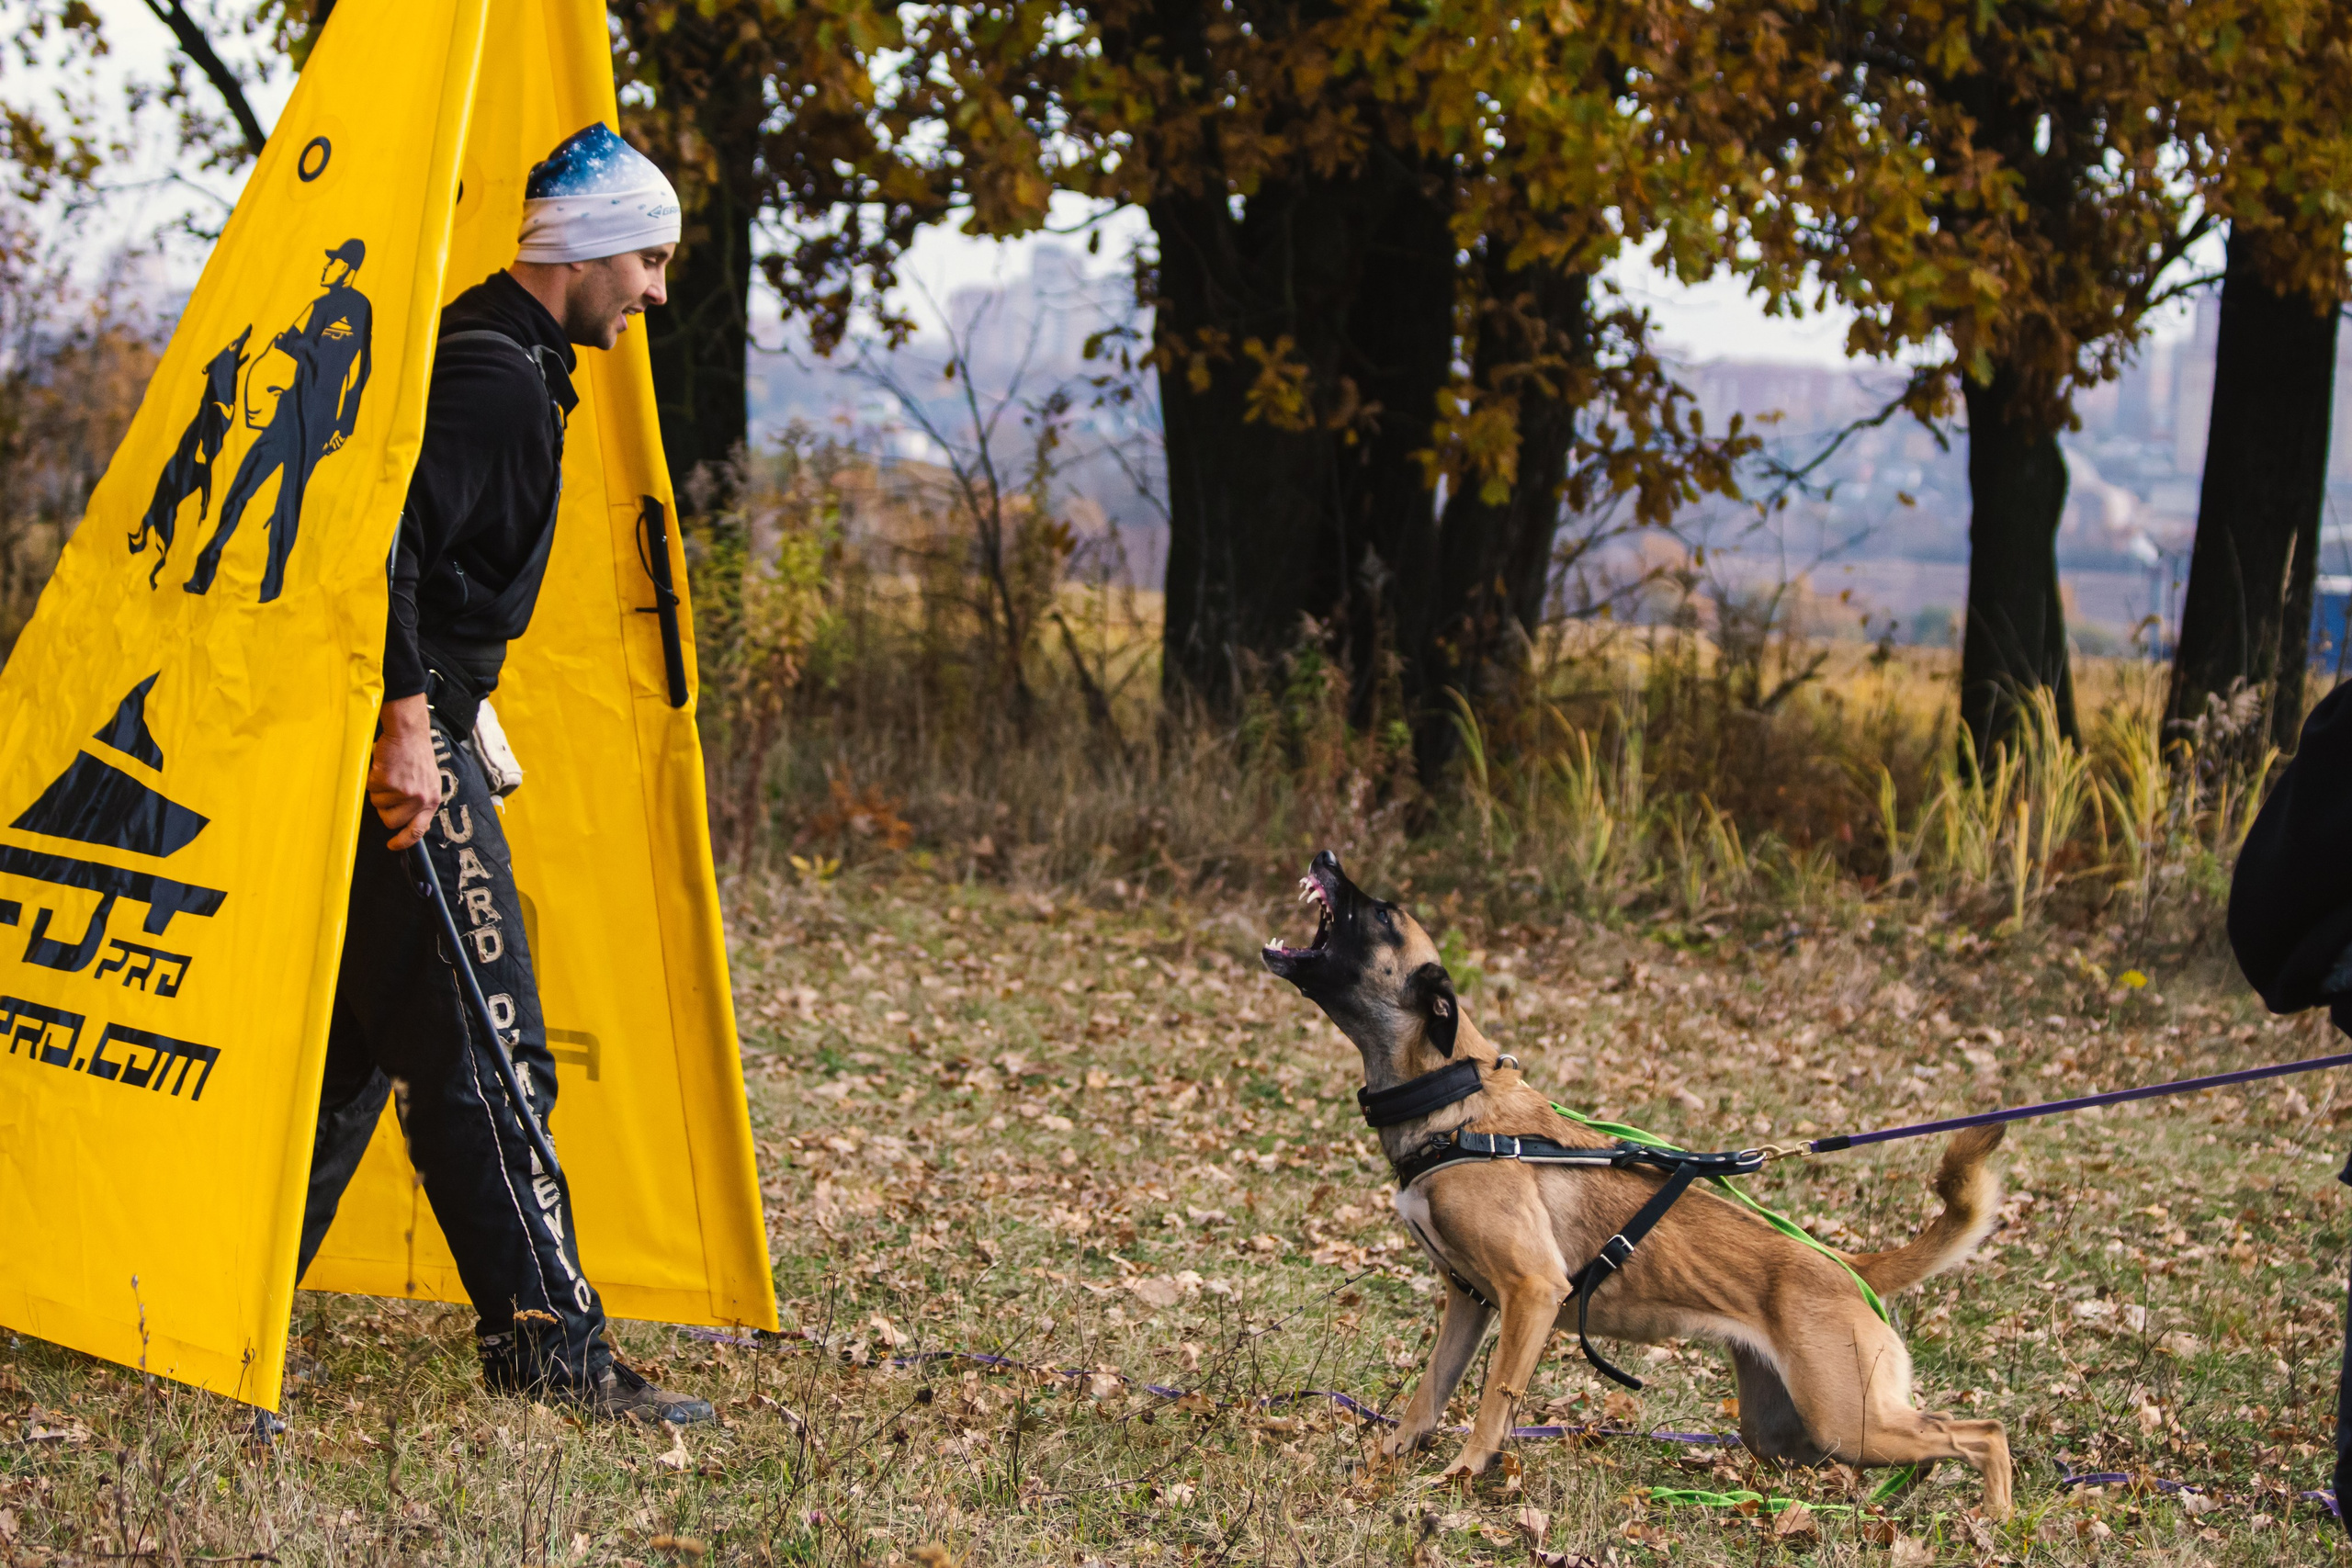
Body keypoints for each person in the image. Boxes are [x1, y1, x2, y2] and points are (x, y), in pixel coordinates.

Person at [292, 123, 707, 1423]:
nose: (652, 290)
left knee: (360, 1047)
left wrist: (453, 711)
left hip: (420, 727)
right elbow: (386, 554)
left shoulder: (506, 351)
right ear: (584, 249)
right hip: (398, 752)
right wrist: (415, 721)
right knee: (485, 1044)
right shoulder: (496, 376)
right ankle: (553, 1348)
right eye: (645, 259)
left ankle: (214, 1284)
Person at [185, 240, 373, 602]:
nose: (326, 268)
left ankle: (269, 591)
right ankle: (205, 573)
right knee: (243, 487)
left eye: (333, 263)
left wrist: (344, 424)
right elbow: (288, 344)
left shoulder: (355, 307)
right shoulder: (320, 306)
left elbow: (357, 369)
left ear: (348, 269)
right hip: (289, 411)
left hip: (316, 419)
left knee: (286, 505)